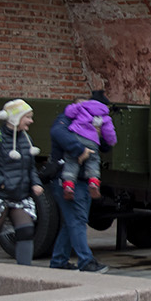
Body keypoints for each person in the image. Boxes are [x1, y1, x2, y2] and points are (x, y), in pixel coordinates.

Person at [0, 99, 44, 266]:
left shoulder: (26, 139)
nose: (31, 121)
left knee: (26, 231)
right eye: (28, 117)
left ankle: (24, 274)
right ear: (16, 118)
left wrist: (36, 183)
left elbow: (30, 167)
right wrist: (2, 183)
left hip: (20, 195)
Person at [47, 101, 110, 273]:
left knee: (71, 222)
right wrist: (79, 150)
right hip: (67, 180)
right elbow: (57, 132)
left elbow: (106, 146)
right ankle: (86, 261)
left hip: (81, 181)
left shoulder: (92, 120)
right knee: (77, 221)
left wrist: (100, 135)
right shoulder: (66, 119)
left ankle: (59, 261)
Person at [59, 96, 116, 200]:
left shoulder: (81, 108)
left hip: (76, 137)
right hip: (92, 141)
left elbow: (69, 112)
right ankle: (94, 182)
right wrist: (111, 141)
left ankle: (68, 185)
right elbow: (109, 131)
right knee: (93, 161)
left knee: (71, 161)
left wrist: (77, 106)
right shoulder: (103, 116)